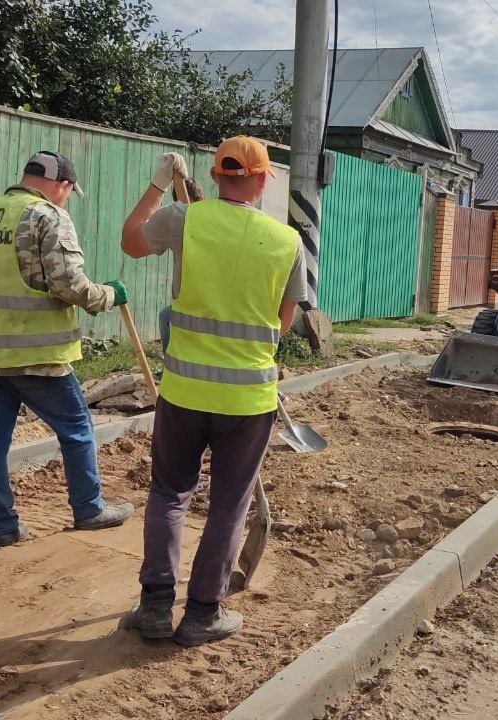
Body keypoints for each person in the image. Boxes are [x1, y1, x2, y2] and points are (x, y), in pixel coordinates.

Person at [120, 137, 307, 646]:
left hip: (183, 392)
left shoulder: (183, 219)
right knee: (229, 504)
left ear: (218, 173)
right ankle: (203, 614)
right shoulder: (287, 242)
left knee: (169, 494)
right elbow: (283, 325)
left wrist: (158, 186)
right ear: (264, 179)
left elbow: (131, 241)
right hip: (248, 402)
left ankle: (155, 607)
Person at [0, 151, 135, 550]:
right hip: (36, 353)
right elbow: (68, 285)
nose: (66, 199)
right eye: (68, 192)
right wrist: (108, 296)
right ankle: (89, 508)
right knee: (77, 429)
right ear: (62, 185)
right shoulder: (47, 215)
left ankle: (1, 527)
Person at [158, 178, 206, 353]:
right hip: (188, 298)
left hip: (205, 301)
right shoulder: (179, 220)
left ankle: (171, 367)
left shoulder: (206, 223)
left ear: (200, 200)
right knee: (166, 317)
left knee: (167, 318)